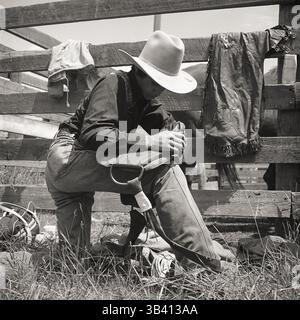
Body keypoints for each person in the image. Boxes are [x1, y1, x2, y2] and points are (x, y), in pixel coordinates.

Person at [45, 30, 222, 272]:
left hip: (70, 176)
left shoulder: (145, 100)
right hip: (67, 158)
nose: (160, 89)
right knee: (163, 171)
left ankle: (61, 269)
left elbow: (169, 123)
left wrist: (178, 136)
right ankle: (203, 264)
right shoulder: (112, 83)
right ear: (141, 72)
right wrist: (152, 143)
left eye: (164, 84)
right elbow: (93, 133)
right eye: (157, 82)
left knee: (73, 264)